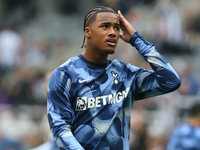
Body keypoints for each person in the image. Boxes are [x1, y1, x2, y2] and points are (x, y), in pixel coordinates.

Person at [47, 6, 181, 150]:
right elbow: (60, 130)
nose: (112, 32)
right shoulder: (64, 74)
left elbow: (171, 81)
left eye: (117, 28)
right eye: (105, 26)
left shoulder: (126, 74)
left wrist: (136, 39)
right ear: (87, 32)